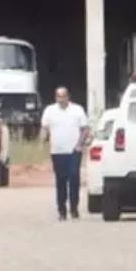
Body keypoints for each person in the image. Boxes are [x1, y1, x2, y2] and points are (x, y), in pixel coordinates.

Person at [40, 87, 89, 220]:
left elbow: (85, 129)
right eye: (59, 97)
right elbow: (44, 128)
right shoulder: (50, 111)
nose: (61, 99)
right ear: (56, 98)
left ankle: (74, 208)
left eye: (64, 96)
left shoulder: (77, 110)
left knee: (74, 178)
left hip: (74, 150)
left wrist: (79, 144)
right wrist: (42, 141)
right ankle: (62, 210)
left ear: (68, 97)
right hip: (57, 151)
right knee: (61, 180)